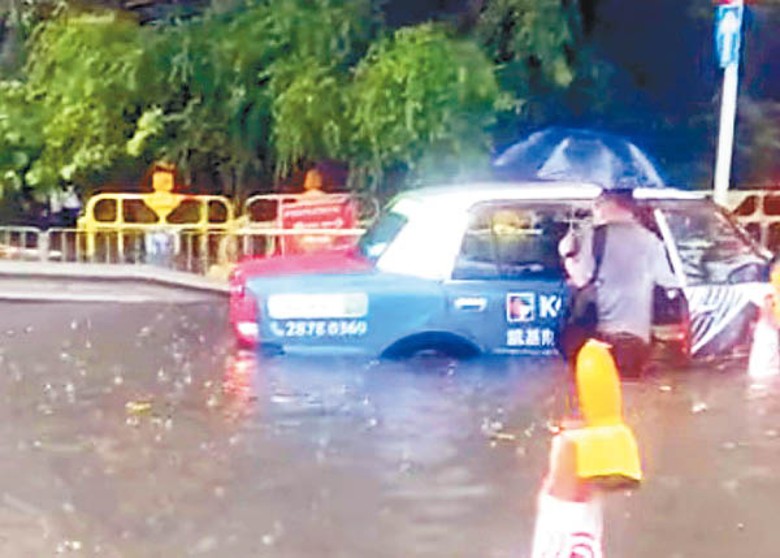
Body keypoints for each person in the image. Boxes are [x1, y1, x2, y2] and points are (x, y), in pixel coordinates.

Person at [557, 188, 679, 377]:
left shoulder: (596, 236)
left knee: (598, 396)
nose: (596, 210)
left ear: (609, 204)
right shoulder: (650, 240)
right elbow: (669, 282)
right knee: (632, 396)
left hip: (602, 337)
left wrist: (567, 254)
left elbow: (581, 279)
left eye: (598, 204)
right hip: (638, 340)